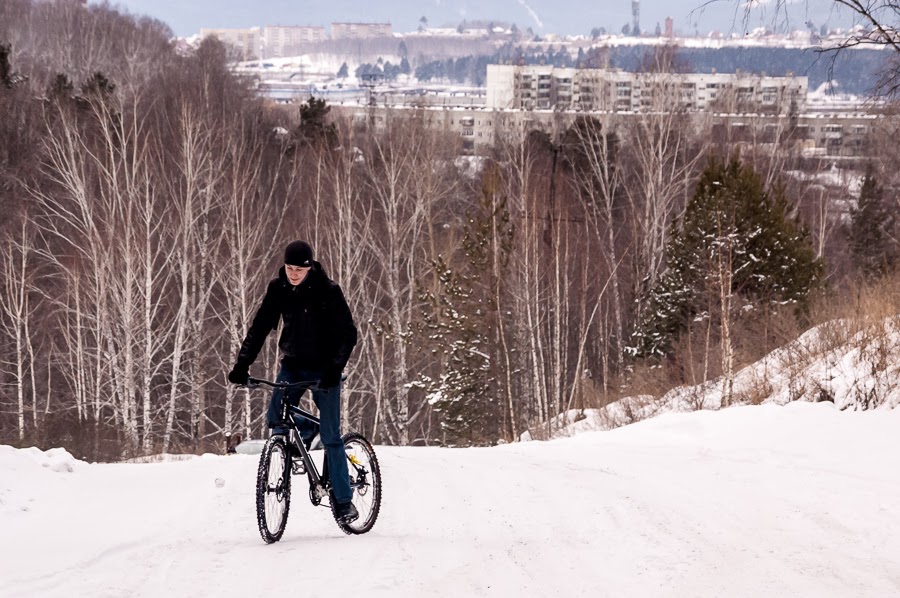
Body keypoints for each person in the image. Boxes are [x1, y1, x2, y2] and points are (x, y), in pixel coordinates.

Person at [227, 240, 359, 523]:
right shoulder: (279, 289)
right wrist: (242, 364)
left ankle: (344, 501)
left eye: (299, 269)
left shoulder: (328, 291)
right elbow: (260, 327)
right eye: (289, 268)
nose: (294, 274)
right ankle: (308, 430)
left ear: (310, 267)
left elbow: (349, 333)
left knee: (333, 436)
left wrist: (335, 368)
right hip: (293, 365)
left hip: (325, 369)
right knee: (276, 418)